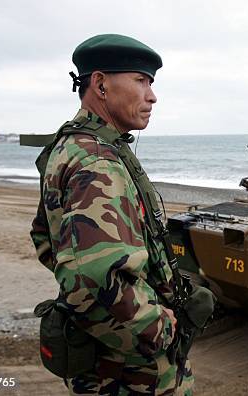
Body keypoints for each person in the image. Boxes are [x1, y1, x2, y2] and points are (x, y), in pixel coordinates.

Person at [29, 34, 196, 395]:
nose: (151, 96)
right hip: (131, 372)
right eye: (140, 80)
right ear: (101, 84)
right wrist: (163, 327)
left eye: (151, 83)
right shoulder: (97, 161)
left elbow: (45, 239)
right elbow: (96, 274)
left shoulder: (71, 146)